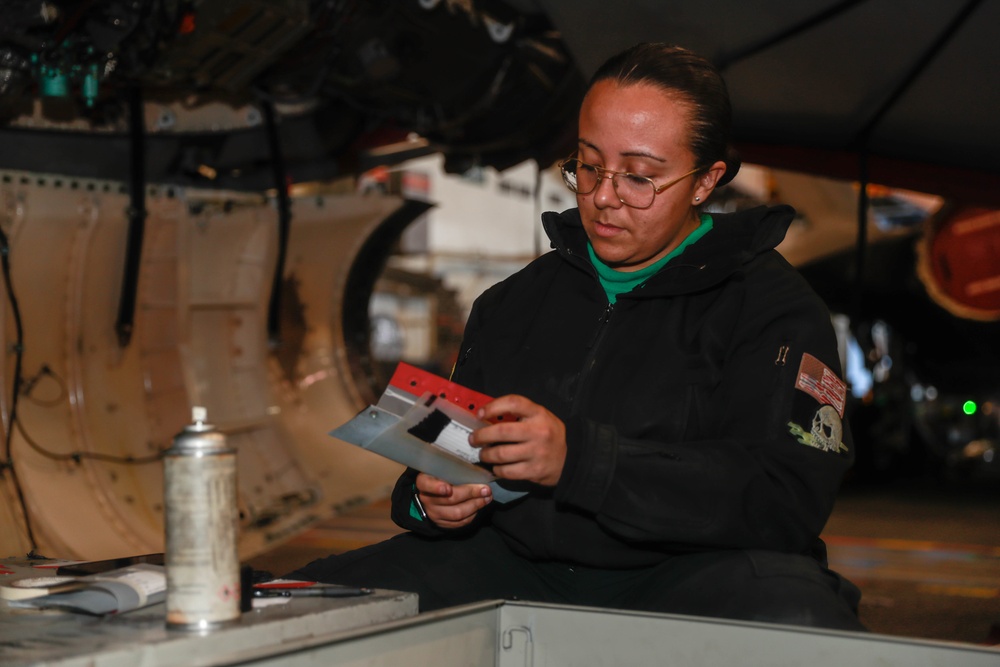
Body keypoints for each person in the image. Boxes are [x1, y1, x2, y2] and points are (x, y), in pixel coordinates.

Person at [290, 42, 865, 631]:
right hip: (517, 565)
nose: (603, 197)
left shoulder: (775, 313)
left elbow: (783, 500)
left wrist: (582, 461)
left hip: (687, 575)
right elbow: (451, 449)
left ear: (705, 181)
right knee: (295, 608)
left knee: (799, 614)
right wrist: (430, 497)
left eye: (640, 177)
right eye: (588, 166)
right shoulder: (511, 304)